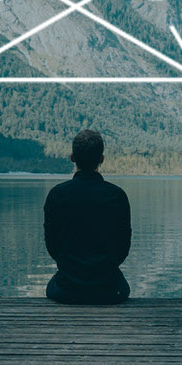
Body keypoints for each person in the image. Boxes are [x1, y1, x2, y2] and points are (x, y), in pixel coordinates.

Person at [42, 129, 131, 305]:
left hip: (66, 289)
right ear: (101, 159)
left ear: (72, 157)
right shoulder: (117, 196)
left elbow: (52, 245)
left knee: (53, 285)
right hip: (110, 290)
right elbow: (123, 247)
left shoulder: (57, 195)